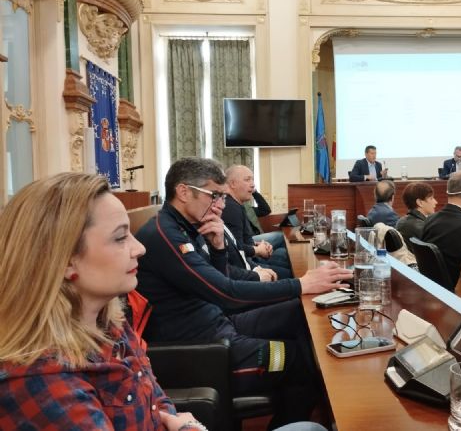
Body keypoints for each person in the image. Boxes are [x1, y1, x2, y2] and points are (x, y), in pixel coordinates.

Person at [135, 157, 353, 429]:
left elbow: (218, 283)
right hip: (207, 351)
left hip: (220, 322)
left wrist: (218, 248)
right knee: (303, 363)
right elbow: (225, 293)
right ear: (183, 192)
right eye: (213, 195)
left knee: (299, 312)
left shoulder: (189, 226)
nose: (219, 204)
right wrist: (300, 285)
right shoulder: (166, 235)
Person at [0, 173, 204, 430]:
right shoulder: (37, 376)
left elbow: (159, 406)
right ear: (65, 260)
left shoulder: (109, 322)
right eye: (120, 238)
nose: (139, 248)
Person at [223, 165, 292, 278]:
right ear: (233, 184)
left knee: (285, 255)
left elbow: (237, 241)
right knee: (291, 273)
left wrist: (256, 244)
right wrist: (257, 250)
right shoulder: (231, 208)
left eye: (252, 179)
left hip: (251, 257)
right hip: (246, 266)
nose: (252, 184)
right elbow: (235, 250)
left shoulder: (237, 205)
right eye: (247, 180)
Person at [395, 182, 438, 253]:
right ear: (420, 202)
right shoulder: (424, 228)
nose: (436, 202)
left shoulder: (400, 221)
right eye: (431, 198)